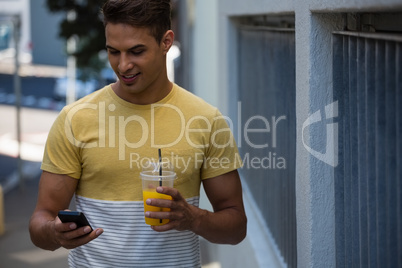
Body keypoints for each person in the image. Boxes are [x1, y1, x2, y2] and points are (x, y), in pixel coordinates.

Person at [29, 0, 247, 267]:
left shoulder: (207, 120)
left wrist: (193, 218)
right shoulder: (75, 119)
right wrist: (54, 233)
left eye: (136, 51)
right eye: (113, 51)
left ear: (166, 42)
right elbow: (41, 221)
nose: (123, 66)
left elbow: (236, 228)